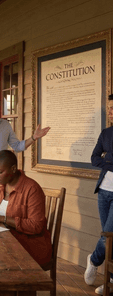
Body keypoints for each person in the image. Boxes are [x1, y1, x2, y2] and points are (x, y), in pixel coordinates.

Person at [84, 94, 113, 295]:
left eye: (112, 108)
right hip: (104, 190)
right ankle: (110, 281)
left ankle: (94, 260)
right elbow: (94, 158)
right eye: (109, 108)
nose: (109, 112)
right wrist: (110, 163)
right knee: (110, 237)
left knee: (108, 235)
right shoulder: (106, 133)